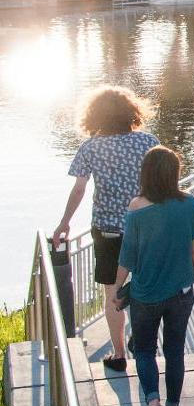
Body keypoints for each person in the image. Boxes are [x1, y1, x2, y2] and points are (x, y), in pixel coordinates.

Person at [55, 86, 159, 372]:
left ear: (94, 115)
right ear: (132, 112)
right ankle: (141, 338)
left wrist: (64, 223)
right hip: (147, 227)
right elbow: (163, 181)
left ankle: (117, 354)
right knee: (145, 286)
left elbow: (79, 189)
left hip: (108, 230)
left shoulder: (91, 146)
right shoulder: (148, 142)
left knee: (112, 292)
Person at [112, 146, 194, 406]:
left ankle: (152, 401)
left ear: (146, 174)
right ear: (175, 173)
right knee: (175, 351)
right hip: (181, 292)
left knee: (143, 349)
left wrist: (117, 289)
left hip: (145, 295)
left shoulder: (136, 207)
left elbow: (127, 255)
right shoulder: (189, 203)